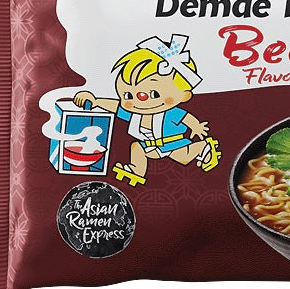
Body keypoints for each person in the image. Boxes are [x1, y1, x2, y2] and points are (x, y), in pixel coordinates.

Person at [73, 35, 220, 186]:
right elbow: (116, 107)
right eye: (128, 95)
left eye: (154, 94)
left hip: (173, 142)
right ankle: (136, 170)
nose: (140, 101)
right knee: (136, 148)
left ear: (184, 95)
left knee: (184, 156)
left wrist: (196, 126)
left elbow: (185, 117)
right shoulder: (135, 115)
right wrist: (96, 101)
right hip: (150, 145)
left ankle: (202, 147)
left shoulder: (170, 113)